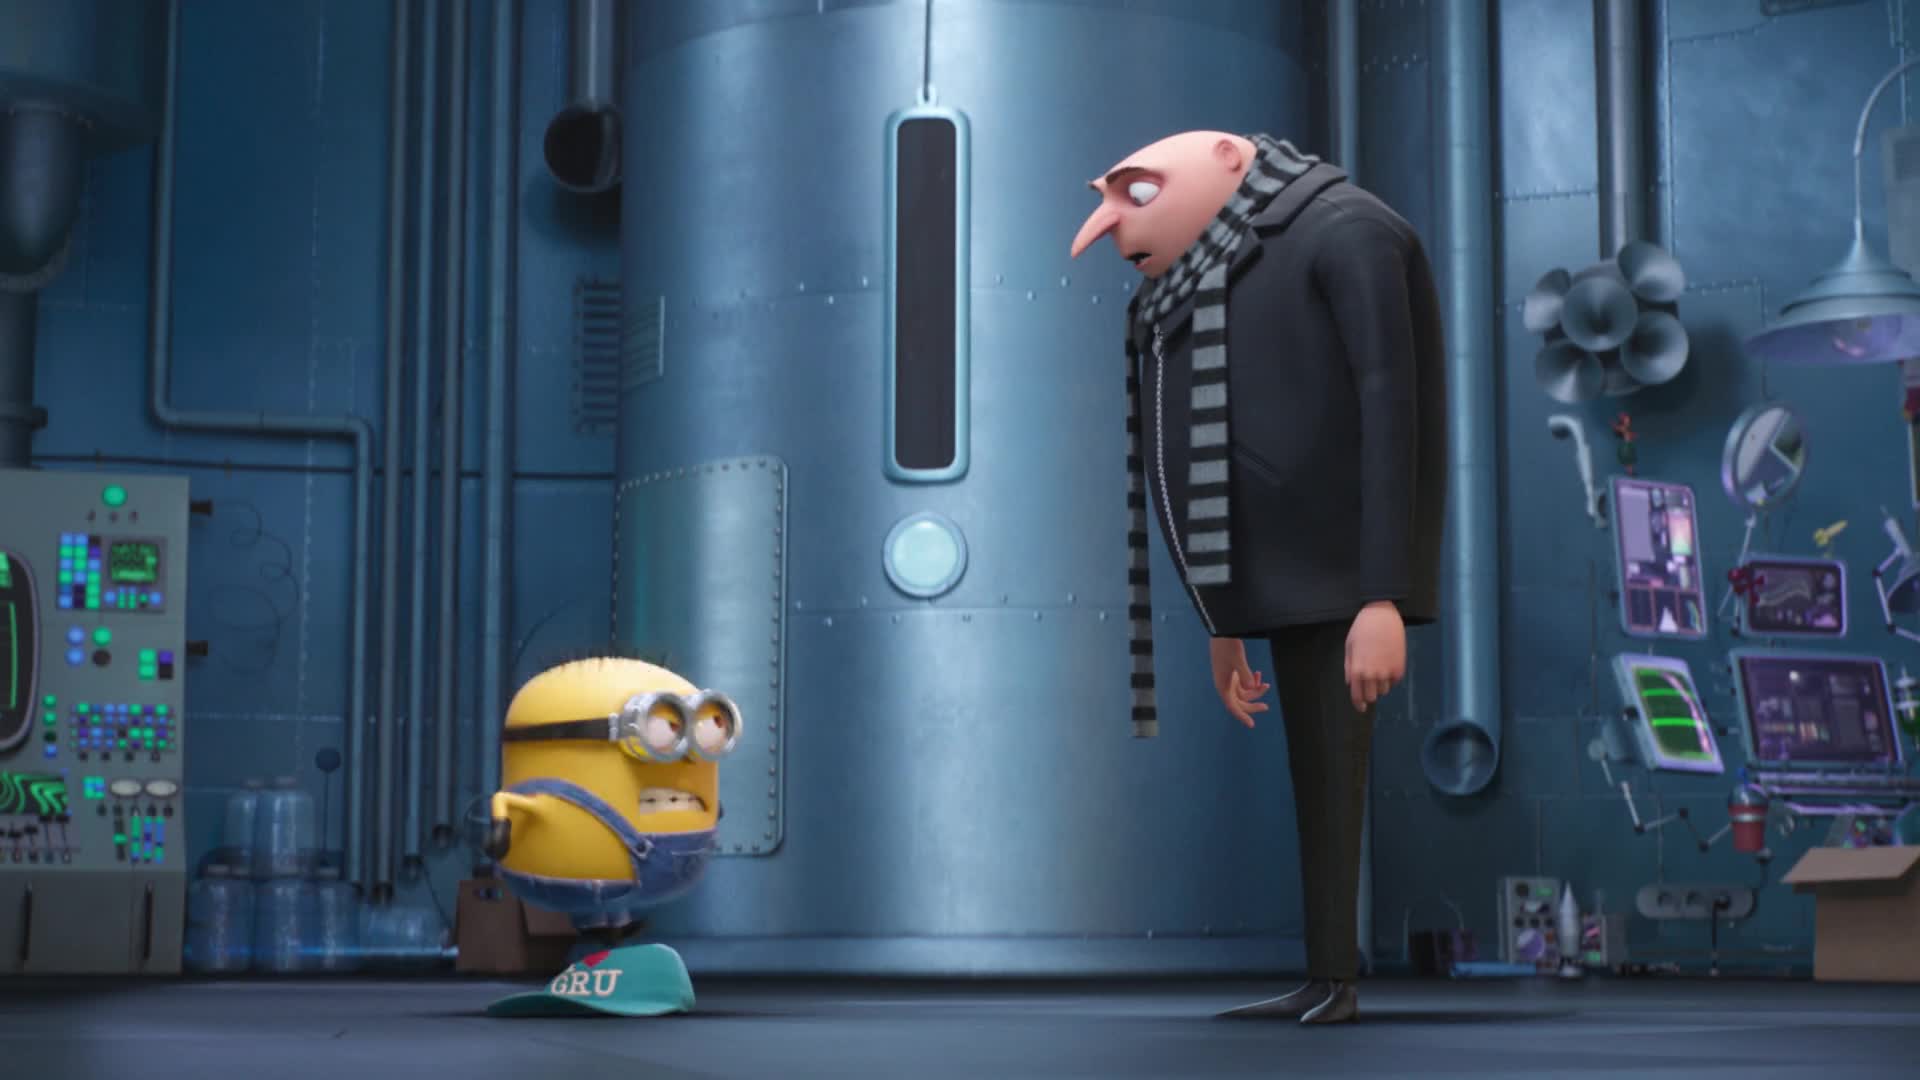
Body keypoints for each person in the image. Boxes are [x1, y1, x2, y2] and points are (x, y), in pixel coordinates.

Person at [1069, 130, 1447, 1025]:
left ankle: (1335, 977)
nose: (1112, 228)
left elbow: (1393, 410)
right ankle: (1324, 973)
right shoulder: (1202, 278)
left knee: (1333, 775)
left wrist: (1383, 594)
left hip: (1340, 572)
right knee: (1312, 777)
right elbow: (1189, 449)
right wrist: (1224, 617)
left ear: (1230, 162)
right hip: (1276, 574)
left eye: (1138, 195)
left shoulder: (1347, 231)